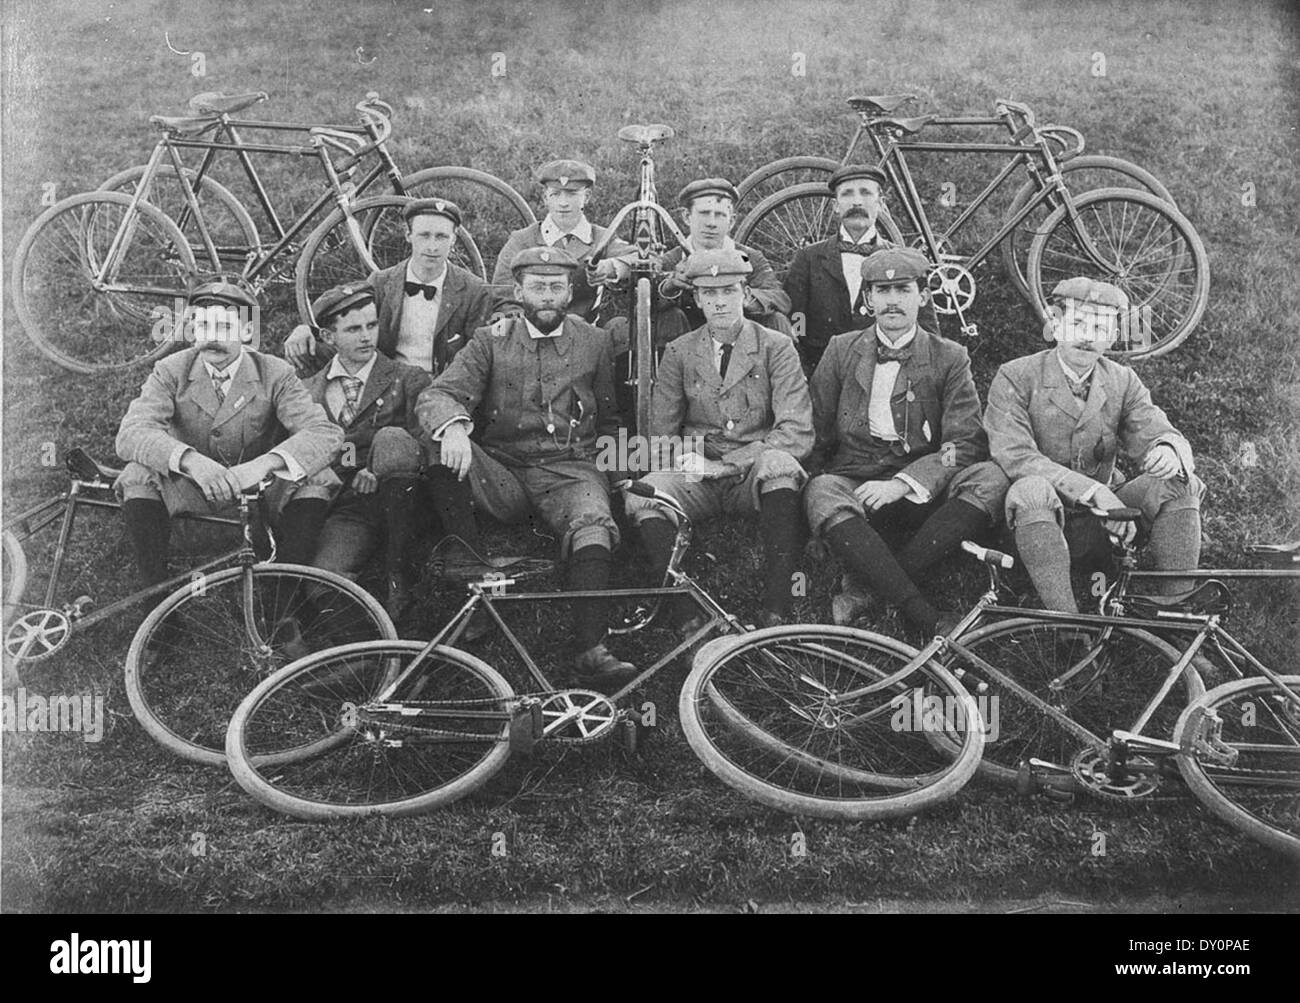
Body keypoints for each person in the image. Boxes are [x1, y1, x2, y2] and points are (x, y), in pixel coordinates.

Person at [416, 246, 636, 687]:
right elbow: (437, 396)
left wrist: (621, 476)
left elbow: (610, 417)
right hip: (505, 469)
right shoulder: (490, 340)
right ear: (518, 292)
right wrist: (456, 428)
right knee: (439, 440)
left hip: (571, 467)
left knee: (593, 521)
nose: (549, 297)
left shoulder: (593, 341)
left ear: (570, 291)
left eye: (557, 287)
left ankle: (589, 647)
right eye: (538, 287)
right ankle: (473, 577)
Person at [803, 247, 1006, 636]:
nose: (892, 300)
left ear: (923, 296)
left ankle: (871, 584)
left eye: (902, 289)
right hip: (857, 481)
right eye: (882, 290)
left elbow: (964, 441)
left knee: (990, 479)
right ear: (868, 300)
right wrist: (812, 514)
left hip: (921, 487)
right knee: (823, 490)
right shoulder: (841, 350)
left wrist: (902, 483)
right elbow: (816, 428)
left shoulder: (950, 356)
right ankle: (922, 613)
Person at [984, 277, 1205, 610]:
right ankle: (1067, 622)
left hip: (1099, 524)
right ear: (1054, 325)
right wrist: (1094, 491)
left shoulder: (1122, 379)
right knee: (1030, 488)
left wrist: (1166, 448)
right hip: (1035, 525)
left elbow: (1155, 428)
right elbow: (1015, 455)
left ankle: (1176, 610)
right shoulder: (1016, 376)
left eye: (1100, 328)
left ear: (1113, 336)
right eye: (1076, 323)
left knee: (1177, 481)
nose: (1087, 337)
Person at [623, 248, 812, 630]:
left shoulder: (777, 346)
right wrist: (688, 460)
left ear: (744, 294)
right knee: (644, 494)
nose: (720, 302)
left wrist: (726, 466)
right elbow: (661, 432)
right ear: (696, 299)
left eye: (728, 291)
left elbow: (796, 430)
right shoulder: (679, 351)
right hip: (698, 469)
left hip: (751, 469)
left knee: (782, 466)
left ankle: (777, 605)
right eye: (709, 294)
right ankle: (685, 615)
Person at [115, 276, 343, 586]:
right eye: (202, 327)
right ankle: (156, 599)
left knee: (318, 475)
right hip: (194, 487)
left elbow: (324, 433)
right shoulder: (171, 370)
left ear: (248, 331)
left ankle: (287, 594)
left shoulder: (275, 373)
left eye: (224, 328)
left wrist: (263, 465)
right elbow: (132, 432)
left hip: (258, 490)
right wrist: (192, 462)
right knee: (138, 473)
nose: (212, 339)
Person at [301, 282, 444, 621]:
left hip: (409, 495)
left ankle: (399, 575)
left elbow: (426, 437)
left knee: (392, 437)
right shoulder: (308, 392)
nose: (366, 336)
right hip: (352, 508)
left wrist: (377, 467)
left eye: (371, 325)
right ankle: (376, 649)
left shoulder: (408, 377)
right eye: (353, 329)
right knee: (323, 583)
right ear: (327, 336)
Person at [283, 198, 493, 376]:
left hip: (441, 386)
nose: (432, 246)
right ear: (408, 236)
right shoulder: (383, 281)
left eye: (441, 237)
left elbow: (478, 358)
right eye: (424, 235)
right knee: (307, 351)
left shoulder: (473, 290)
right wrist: (306, 329)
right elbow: (340, 302)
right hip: (387, 382)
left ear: (454, 239)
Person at [783, 165, 938, 373]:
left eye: (866, 193)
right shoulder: (808, 258)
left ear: (881, 203)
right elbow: (795, 322)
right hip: (824, 376)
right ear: (836, 206)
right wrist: (806, 372)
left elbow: (928, 333)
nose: (857, 202)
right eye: (847, 194)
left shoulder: (906, 262)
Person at [491, 159, 631, 323]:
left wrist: (611, 267)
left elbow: (641, 259)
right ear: (545, 197)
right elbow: (503, 295)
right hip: (530, 333)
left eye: (572, 194)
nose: (563, 203)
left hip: (583, 335)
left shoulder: (602, 238)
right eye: (555, 194)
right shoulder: (522, 240)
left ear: (586, 197)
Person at [654, 177, 793, 342]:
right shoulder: (671, 260)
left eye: (720, 215)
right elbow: (640, 304)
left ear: (732, 221)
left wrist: (741, 297)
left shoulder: (749, 257)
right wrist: (669, 286)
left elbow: (780, 298)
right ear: (687, 216)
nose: (711, 223)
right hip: (688, 345)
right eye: (704, 213)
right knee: (668, 318)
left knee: (776, 320)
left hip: (741, 344)